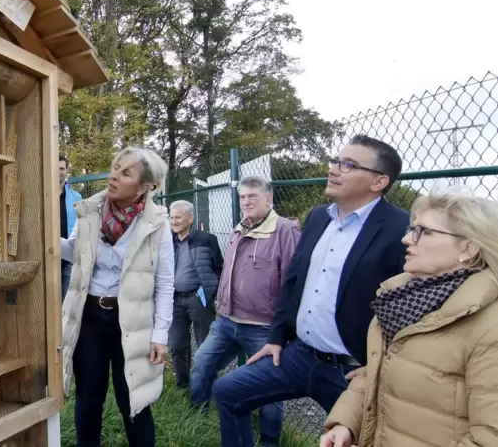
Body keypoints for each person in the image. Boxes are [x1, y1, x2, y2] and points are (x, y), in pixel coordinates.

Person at [212, 135, 409, 447]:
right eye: (336, 161)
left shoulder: (401, 229)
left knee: (365, 439)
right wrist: (276, 337)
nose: (333, 169)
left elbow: (406, 309)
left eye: (348, 165)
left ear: (379, 181)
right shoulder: (319, 216)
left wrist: (379, 370)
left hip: (352, 372)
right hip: (298, 356)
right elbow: (293, 280)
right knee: (228, 392)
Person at [321, 191, 498, 447]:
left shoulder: (489, 326)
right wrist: (347, 423)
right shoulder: (397, 301)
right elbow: (376, 372)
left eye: (423, 232)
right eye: (411, 229)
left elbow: (489, 438)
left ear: (468, 249)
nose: (406, 239)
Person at [60, 147, 175, 447]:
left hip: (133, 323)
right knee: (88, 400)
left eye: (126, 173)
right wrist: (46, 239)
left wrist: (160, 334)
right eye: (115, 168)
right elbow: (75, 251)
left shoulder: (157, 223)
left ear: (145, 186)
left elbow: (164, 283)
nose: (113, 176)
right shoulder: (90, 211)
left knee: (134, 404)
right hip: (91, 318)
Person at [189, 176, 301, 446]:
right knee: (202, 364)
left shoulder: (286, 231)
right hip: (226, 322)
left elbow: (294, 281)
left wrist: (283, 327)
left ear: (268, 199)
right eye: (242, 197)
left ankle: (270, 441)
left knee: (269, 388)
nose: (246, 201)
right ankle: (197, 420)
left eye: (252, 196)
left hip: (264, 328)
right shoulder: (238, 229)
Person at [168, 200, 224, 389]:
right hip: (175, 300)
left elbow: (219, 268)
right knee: (176, 345)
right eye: (172, 217)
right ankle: (183, 385)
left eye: (178, 217)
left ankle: (206, 385)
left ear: (190, 218)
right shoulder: (168, 241)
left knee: (205, 346)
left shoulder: (207, 239)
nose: (174, 221)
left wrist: (207, 293)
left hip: (198, 300)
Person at [59, 154, 82, 301]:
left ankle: (65, 324)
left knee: (68, 298)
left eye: (62, 168)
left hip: (69, 256)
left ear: (67, 171)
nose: (58, 172)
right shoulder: (42, 195)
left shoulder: (76, 197)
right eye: (55, 168)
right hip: (49, 253)